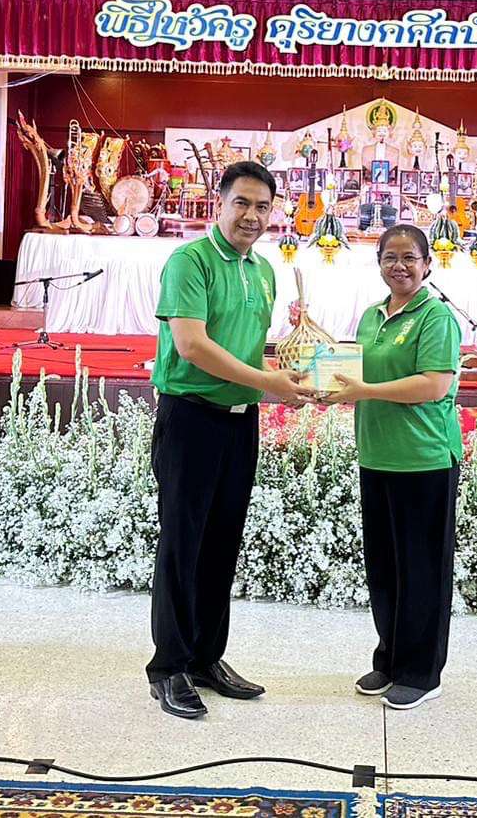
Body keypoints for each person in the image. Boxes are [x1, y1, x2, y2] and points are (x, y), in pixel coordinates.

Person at [148, 160, 317, 720]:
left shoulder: (263, 270)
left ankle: (205, 658)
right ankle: (169, 667)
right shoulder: (190, 261)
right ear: (218, 204)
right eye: (241, 203)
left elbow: (245, 352)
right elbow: (192, 346)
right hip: (191, 417)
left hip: (240, 421)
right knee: (183, 543)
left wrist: (285, 376)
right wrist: (269, 383)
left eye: (262, 206)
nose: (251, 215)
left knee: (222, 542)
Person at [329, 223, 462, 711]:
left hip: (423, 458)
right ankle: (389, 658)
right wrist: (323, 384)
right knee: (385, 568)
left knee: (422, 570)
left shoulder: (436, 317)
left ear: (428, 264)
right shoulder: (372, 316)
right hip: (377, 453)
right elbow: (355, 372)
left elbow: (433, 385)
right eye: (390, 257)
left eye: (410, 258)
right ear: (379, 263)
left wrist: (363, 391)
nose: (399, 266)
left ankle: (421, 673)